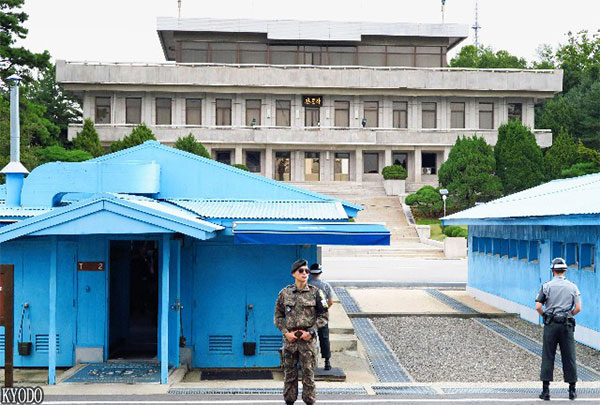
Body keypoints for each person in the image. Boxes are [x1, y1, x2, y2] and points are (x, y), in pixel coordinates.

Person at [274, 259, 329, 405]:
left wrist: (311, 332)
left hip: (307, 341)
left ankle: (309, 401)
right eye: (301, 271)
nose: (305, 273)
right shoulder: (284, 293)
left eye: (307, 271)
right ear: (294, 273)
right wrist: (286, 333)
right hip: (290, 341)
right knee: (289, 376)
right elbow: (278, 317)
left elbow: (324, 316)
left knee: (308, 375)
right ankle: (289, 401)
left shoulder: (316, 293)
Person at [535, 257, 582, 401]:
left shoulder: (546, 286)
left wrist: (545, 315)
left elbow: (538, 306)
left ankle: (546, 391)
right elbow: (578, 308)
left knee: (548, 355)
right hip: (566, 325)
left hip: (551, 324)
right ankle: (572, 391)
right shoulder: (573, 287)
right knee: (569, 355)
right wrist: (569, 314)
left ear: (553, 271)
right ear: (565, 270)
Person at [308, 263, 334, 370]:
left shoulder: (307, 285)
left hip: (309, 316)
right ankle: (327, 362)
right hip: (322, 316)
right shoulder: (325, 285)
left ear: (310, 273)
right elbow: (331, 301)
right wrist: (323, 309)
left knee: (309, 338)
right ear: (320, 272)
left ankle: (309, 362)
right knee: (324, 338)